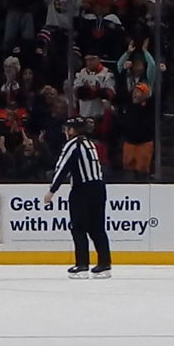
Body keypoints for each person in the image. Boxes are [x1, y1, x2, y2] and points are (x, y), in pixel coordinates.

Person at [44, 117, 112, 278]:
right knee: (97, 228)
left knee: (78, 227)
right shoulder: (90, 144)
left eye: (67, 128)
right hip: (99, 187)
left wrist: (52, 191)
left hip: (82, 190)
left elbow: (62, 168)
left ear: (72, 130)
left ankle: (82, 265)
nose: (66, 132)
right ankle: (104, 265)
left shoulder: (72, 144)